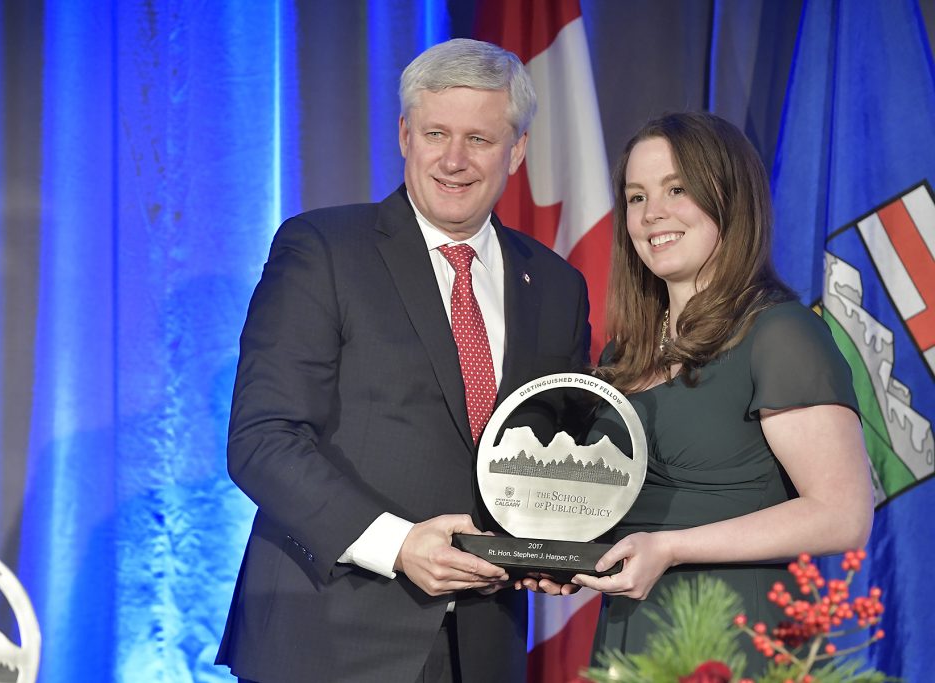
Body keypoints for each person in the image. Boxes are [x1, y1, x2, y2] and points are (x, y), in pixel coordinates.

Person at [216, 39, 591, 683]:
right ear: (404, 136)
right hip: (328, 639)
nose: (453, 159)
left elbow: (558, 450)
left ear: (517, 150)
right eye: (436, 132)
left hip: (482, 644)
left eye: (479, 138)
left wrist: (551, 547)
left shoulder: (556, 284)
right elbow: (263, 440)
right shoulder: (324, 248)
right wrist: (398, 544)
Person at [570, 112, 874, 674]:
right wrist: (556, 555)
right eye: (636, 197)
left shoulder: (780, 334)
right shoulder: (623, 354)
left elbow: (842, 515)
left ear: (728, 199)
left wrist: (671, 546)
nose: (651, 214)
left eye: (676, 190)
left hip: (739, 639)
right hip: (631, 633)